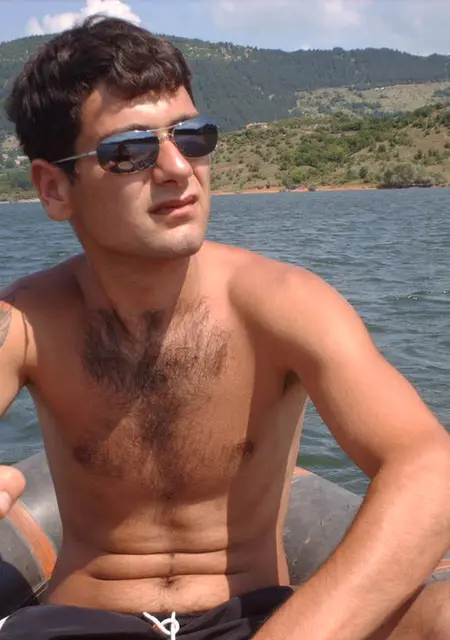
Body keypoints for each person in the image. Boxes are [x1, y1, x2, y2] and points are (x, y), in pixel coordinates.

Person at [0, 15, 449, 640]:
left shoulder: (283, 303)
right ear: (53, 188)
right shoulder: (25, 321)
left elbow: (427, 464)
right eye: (128, 151)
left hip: (257, 617)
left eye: (193, 136)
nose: (177, 168)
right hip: (84, 622)